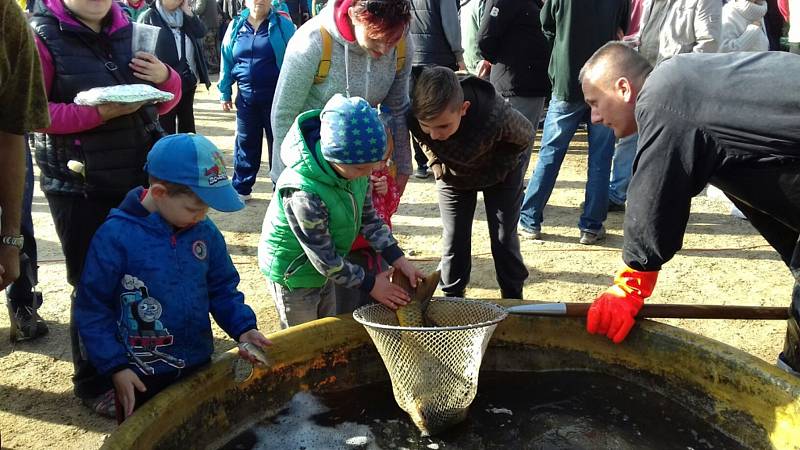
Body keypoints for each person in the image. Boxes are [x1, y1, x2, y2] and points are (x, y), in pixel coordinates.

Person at [579, 43, 800, 377]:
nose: (594, 117)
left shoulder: (666, 95)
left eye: (594, 103)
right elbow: (764, 180)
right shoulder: (697, 95)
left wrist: (632, 281)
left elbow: (655, 190)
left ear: (623, 88)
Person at [29, 0, 182, 417]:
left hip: (135, 175)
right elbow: (35, 113)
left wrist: (168, 79)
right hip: (78, 185)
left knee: (138, 277)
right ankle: (93, 379)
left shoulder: (130, 29)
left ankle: (138, 362)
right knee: (94, 284)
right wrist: (98, 114)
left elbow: (161, 102)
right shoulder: (40, 35)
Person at [74, 133, 270, 422]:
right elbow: (92, 308)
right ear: (160, 193)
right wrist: (115, 367)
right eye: (194, 208)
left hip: (196, 362)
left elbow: (222, 288)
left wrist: (243, 328)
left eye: (207, 208)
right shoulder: (116, 237)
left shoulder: (204, 232)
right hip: (140, 372)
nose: (202, 216)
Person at [259, 95, 423, 328]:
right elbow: (324, 259)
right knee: (303, 335)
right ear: (332, 155)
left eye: (375, 165)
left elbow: (370, 220)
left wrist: (398, 259)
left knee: (326, 327)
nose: (369, 173)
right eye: (361, 168)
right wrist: (370, 284)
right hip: (294, 275)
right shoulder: (303, 192)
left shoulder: (356, 172)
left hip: (327, 268)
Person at [408, 67, 534, 299]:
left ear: (463, 109)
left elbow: (525, 137)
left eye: (443, 126)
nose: (434, 135)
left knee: (504, 237)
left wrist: (500, 169)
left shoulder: (496, 115)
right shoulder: (413, 113)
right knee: (454, 237)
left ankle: (512, 296)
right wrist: (435, 162)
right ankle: (453, 296)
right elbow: (422, 138)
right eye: (428, 127)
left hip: (500, 175)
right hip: (452, 175)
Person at [270, 0, 414, 195]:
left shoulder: (401, 43)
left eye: (392, 41)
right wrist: (287, 179)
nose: (384, 50)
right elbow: (284, 113)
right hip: (313, 169)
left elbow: (397, 109)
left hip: (361, 169)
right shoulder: (312, 41)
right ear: (353, 15)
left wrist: (403, 167)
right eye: (376, 38)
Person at [518, 0, 628, 245]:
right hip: (604, 83)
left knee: (550, 154)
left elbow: (546, 25)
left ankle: (529, 218)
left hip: (567, 81)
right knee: (600, 160)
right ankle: (591, 226)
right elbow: (622, 29)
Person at [606, 0, 721, 213]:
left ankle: (657, 203)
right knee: (629, 138)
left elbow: (709, 43)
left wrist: (678, 73)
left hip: (675, 84)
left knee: (664, 147)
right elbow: (648, 34)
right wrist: (631, 44)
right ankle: (618, 193)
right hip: (643, 77)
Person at [1, 0, 51, 340]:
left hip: (7, 150)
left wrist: (8, 239)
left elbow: (11, 134)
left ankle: (22, 301)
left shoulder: (8, 18)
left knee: (21, 218)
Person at [218, 0, 295, 201]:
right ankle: (242, 187)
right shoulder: (235, 26)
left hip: (277, 99)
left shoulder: (283, 25)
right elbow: (227, 58)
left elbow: (296, 59)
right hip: (245, 98)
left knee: (278, 143)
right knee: (245, 142)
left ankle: (280, 187)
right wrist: (224, 90)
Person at [335, 106, 402, 314]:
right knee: (349, 300)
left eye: (383, 160)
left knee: (377, 298)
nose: (375, 168)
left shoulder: (382, 174)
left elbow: (390, 207)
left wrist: (385, 193)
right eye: (365, 166)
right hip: (350, 252)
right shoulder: (351, 179)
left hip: (379, 249)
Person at [477, 0, 550, 142]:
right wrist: (496, 60)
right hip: (514, 84)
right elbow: (485, 38)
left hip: (529, 83)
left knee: (520, 148)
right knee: (512, 148)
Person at [408, 0, 465, 179]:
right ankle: (449, 162)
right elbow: (451, 24)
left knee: (419, 112)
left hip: (412, 58)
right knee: (443, 111)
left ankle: (422, 163)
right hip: (440, 58)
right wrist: (459, 55)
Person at [139, 0, 211, 135]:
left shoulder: (185, 15)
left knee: (187, 120)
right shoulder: (149, 16)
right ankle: (168, 153)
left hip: (187, 78)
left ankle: (189, 152)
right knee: (166, 123)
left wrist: (188, 12)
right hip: (164, 82)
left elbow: (200, 32)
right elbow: (141, 49)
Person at [191, 0, 221, 73]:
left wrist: (190, 9)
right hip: (214, 23)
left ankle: (213, 67)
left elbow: (200, 9)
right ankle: (216, 66)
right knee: (214, 47)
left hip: (207, 24)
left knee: (208, 47)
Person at [459, 0, 486, 77]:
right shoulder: (482, 3)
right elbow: (487, 36)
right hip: (483, 66)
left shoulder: (464, 5)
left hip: (467, 63)